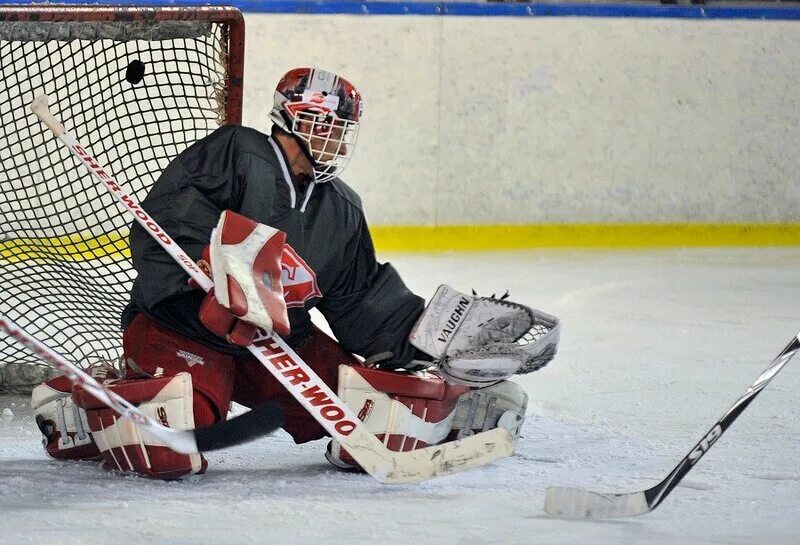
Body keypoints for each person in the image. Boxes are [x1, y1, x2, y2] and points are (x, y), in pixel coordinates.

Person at [31, 68, 560, 479]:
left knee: (377, 421)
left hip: (277, 343)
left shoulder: (341, 208)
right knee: (167, 447)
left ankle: (463, 407)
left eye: (344, 130)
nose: (338, 140)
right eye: (329, 126)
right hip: (183, 330)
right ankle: (83, 407)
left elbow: (360, 299)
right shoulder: (237, 153)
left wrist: (425, 340)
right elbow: (167, 224)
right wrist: (200, 292)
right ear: (297, 120)